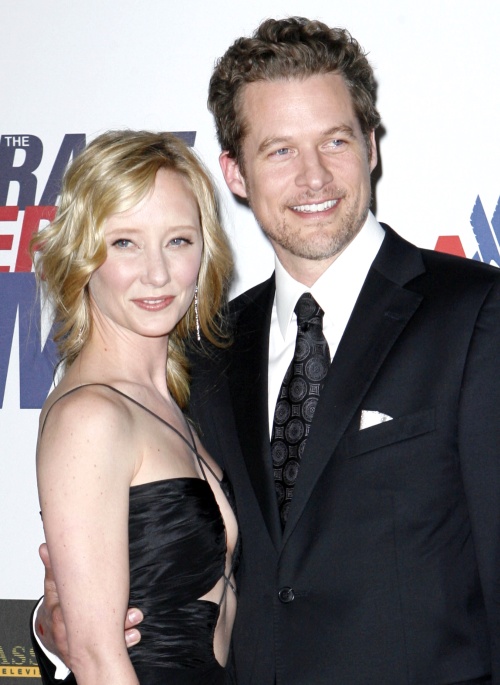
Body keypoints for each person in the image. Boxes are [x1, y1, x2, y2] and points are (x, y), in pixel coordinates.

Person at [34, 17, 500, 685]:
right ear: (236, 172)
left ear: (371, 146)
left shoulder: (474, 314)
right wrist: (62, 627)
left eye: (334, 141)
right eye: (280, 150)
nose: (314, 177)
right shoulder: (205, 352)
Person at [31, 130, 237, 684]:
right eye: (125, 242)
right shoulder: (91, 418)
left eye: (178, 240)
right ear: (82, 254)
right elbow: (98, 658)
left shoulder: (175, 401)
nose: (157, 273)